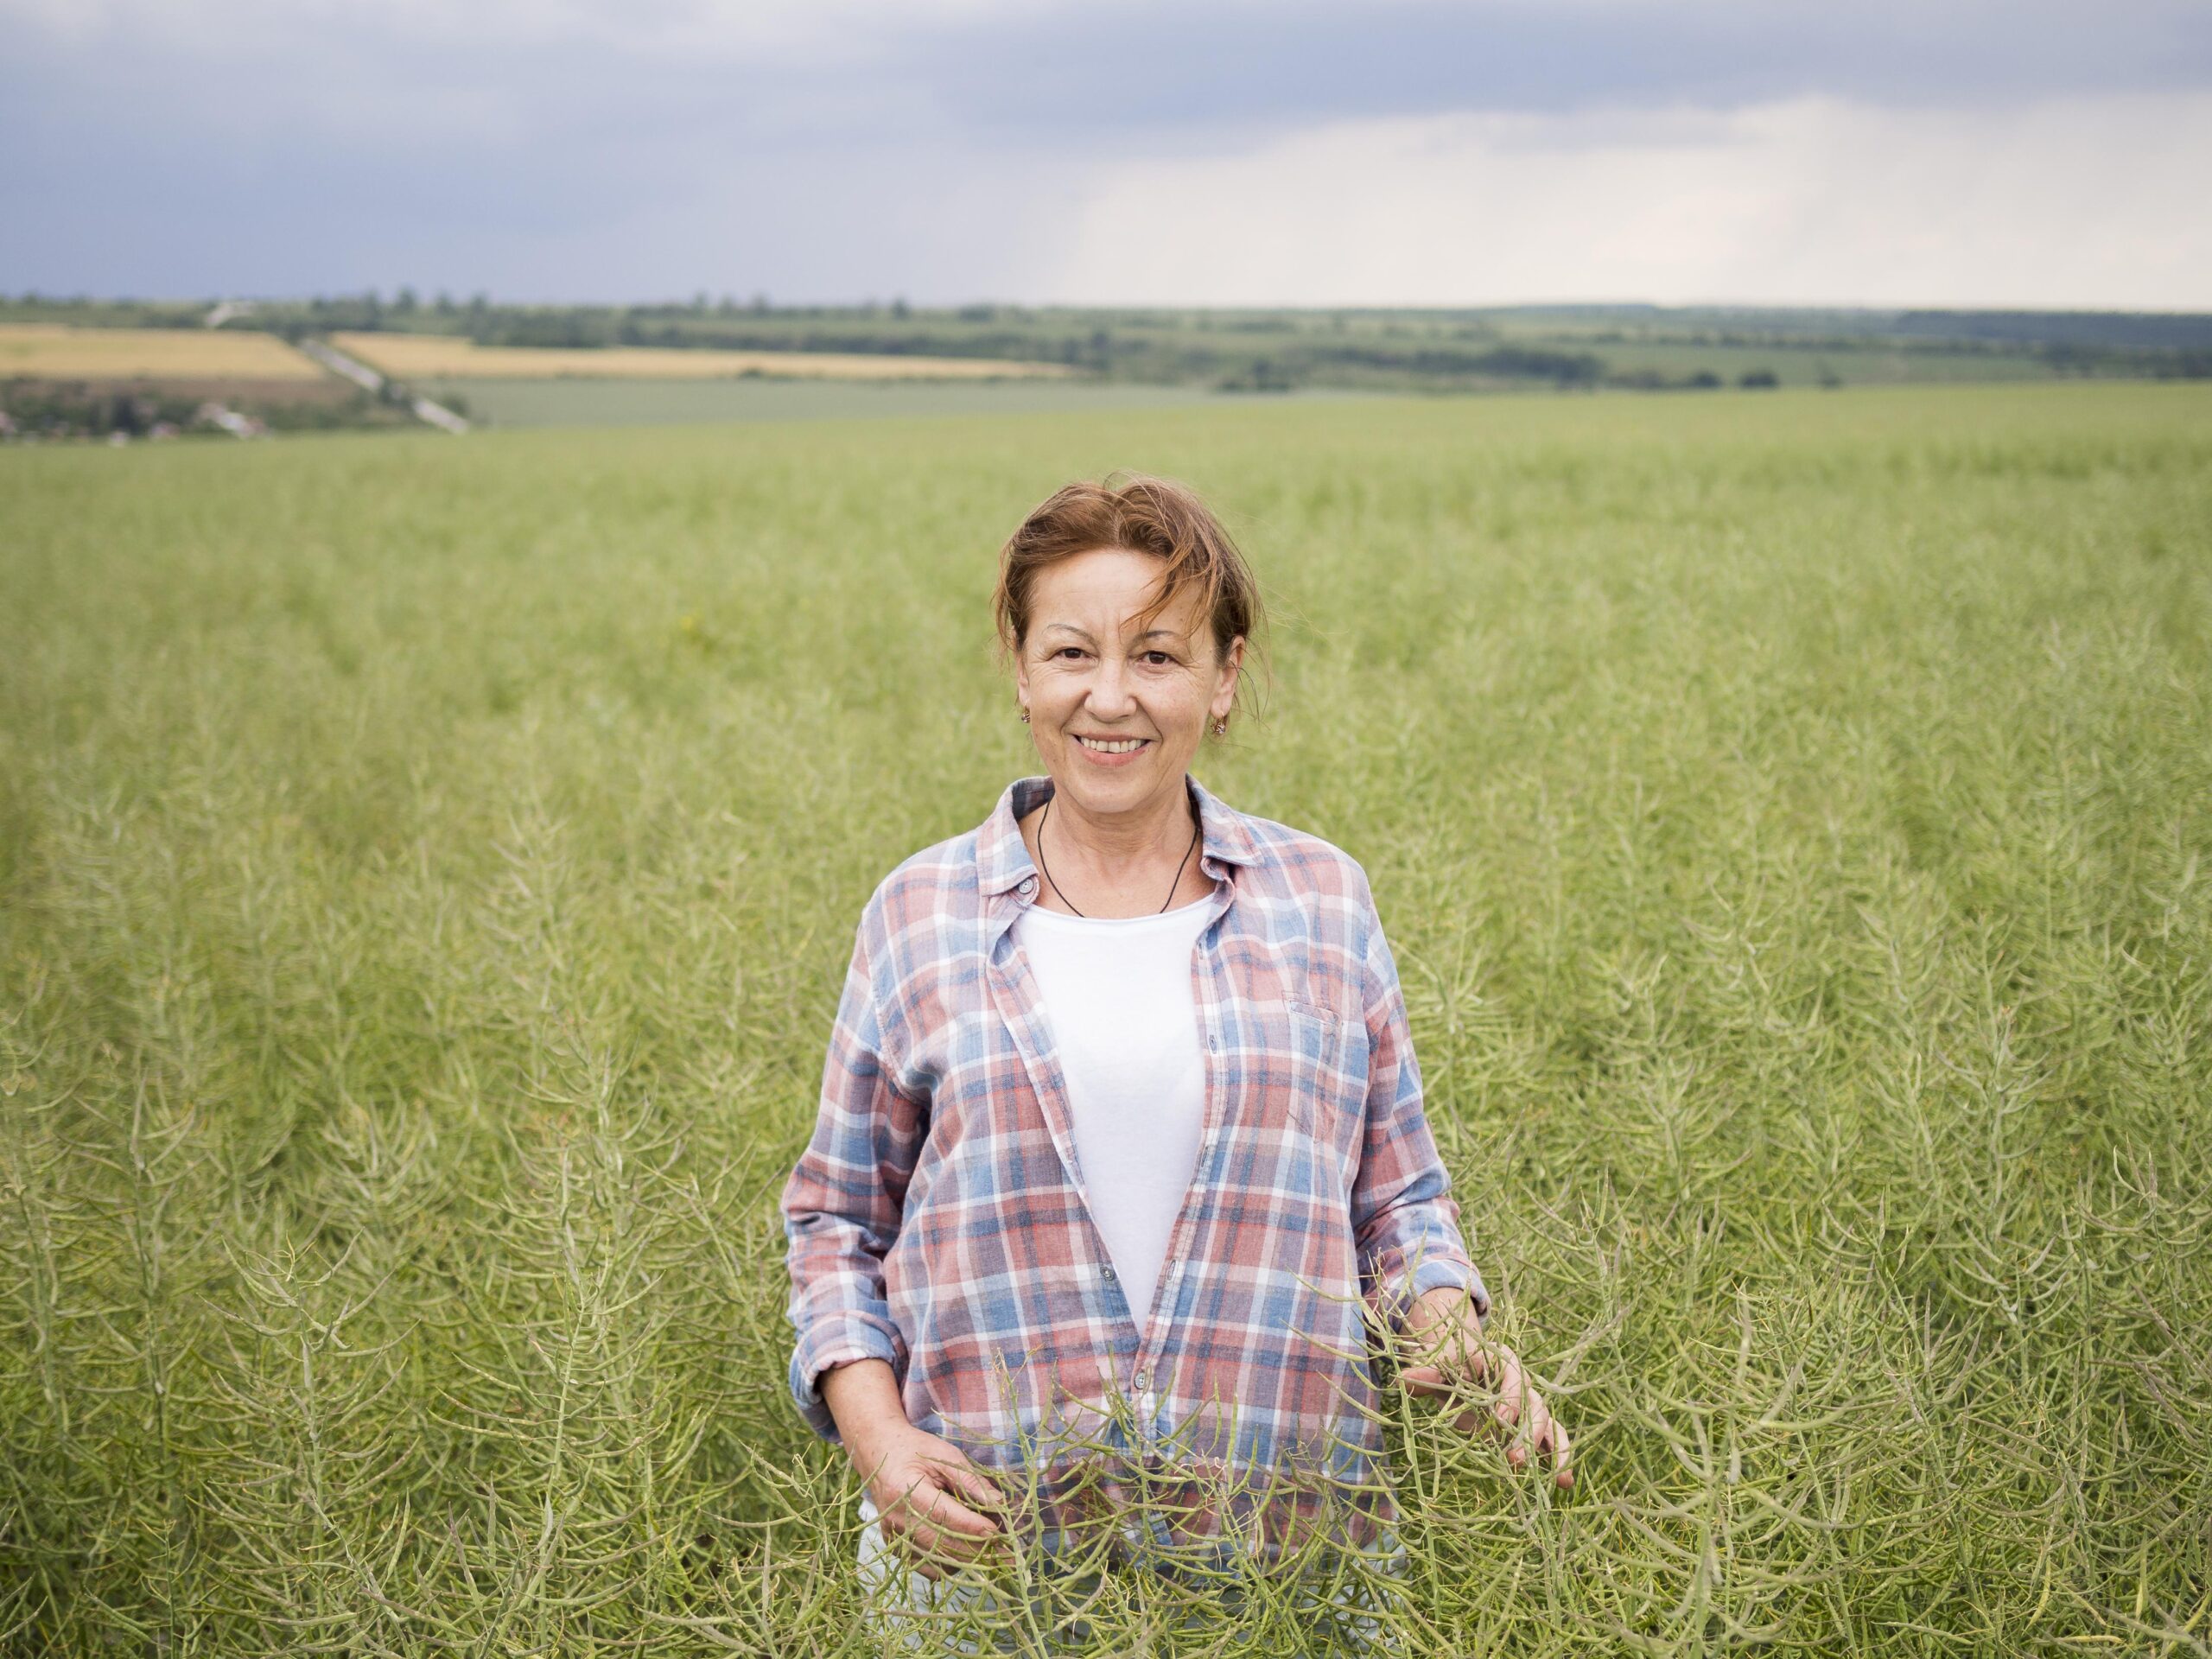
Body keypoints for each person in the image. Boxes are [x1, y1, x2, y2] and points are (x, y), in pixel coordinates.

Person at [780, 474, 1570, 1651]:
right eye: (1071, 653)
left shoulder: (1319, 899)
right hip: (987, 1572)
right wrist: (880, 1442)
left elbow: (1396, 1200)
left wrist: (1450, 1335)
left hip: (1290, 1555)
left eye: (1157, 655)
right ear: (1020, 669)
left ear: (1225, 675)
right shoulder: (918, 913)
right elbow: (839, 1223)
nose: (1111, 697)